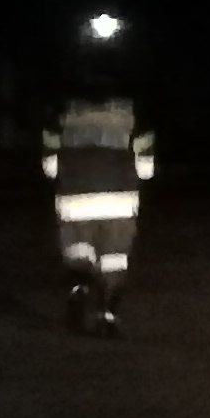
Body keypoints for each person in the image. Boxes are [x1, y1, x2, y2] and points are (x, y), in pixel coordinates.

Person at [41, 77, 153, 334]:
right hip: (120, 197)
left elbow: (49, 165)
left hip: (75, 195)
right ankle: (108, 315)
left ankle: (78, 289)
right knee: (114, 259)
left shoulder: (64, 116)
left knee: (79, 252)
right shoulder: (131, 117)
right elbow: (146, 168)